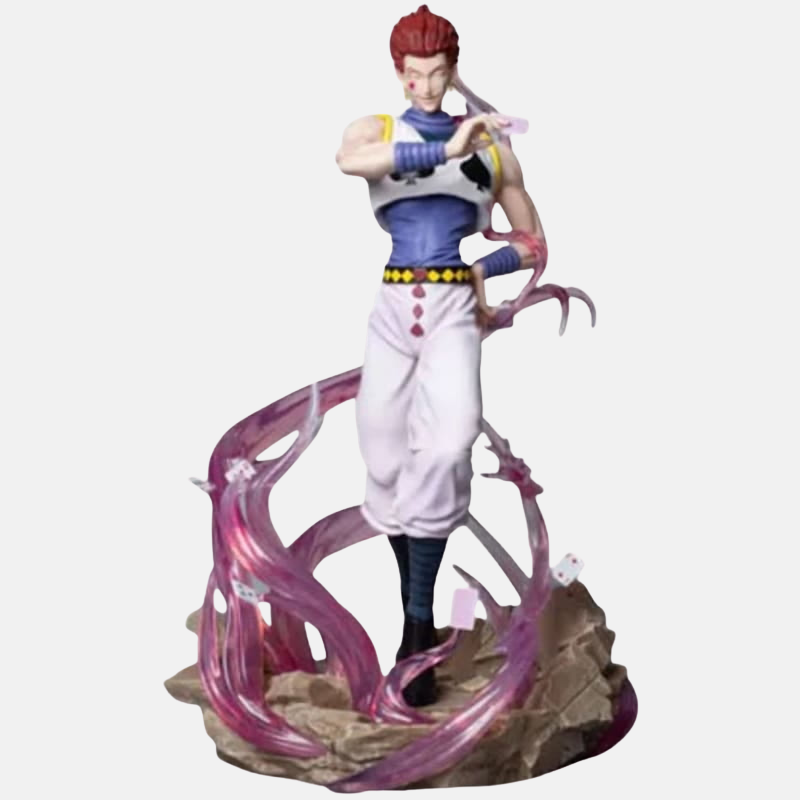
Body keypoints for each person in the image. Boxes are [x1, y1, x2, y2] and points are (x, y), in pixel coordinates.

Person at [335, 4, 546, 707]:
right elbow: (349, 162)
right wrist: (444, 148)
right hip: (393, 305)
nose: (425, 86)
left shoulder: (492, 149)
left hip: (453, 304)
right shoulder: (378, 130)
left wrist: (486, 270)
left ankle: (417, 622)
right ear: (398, 72)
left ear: (454, 70)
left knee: (450, 442)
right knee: (384, 452)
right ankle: (417, 621)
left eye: (437, 73)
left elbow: (534, 244)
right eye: (413, 74)